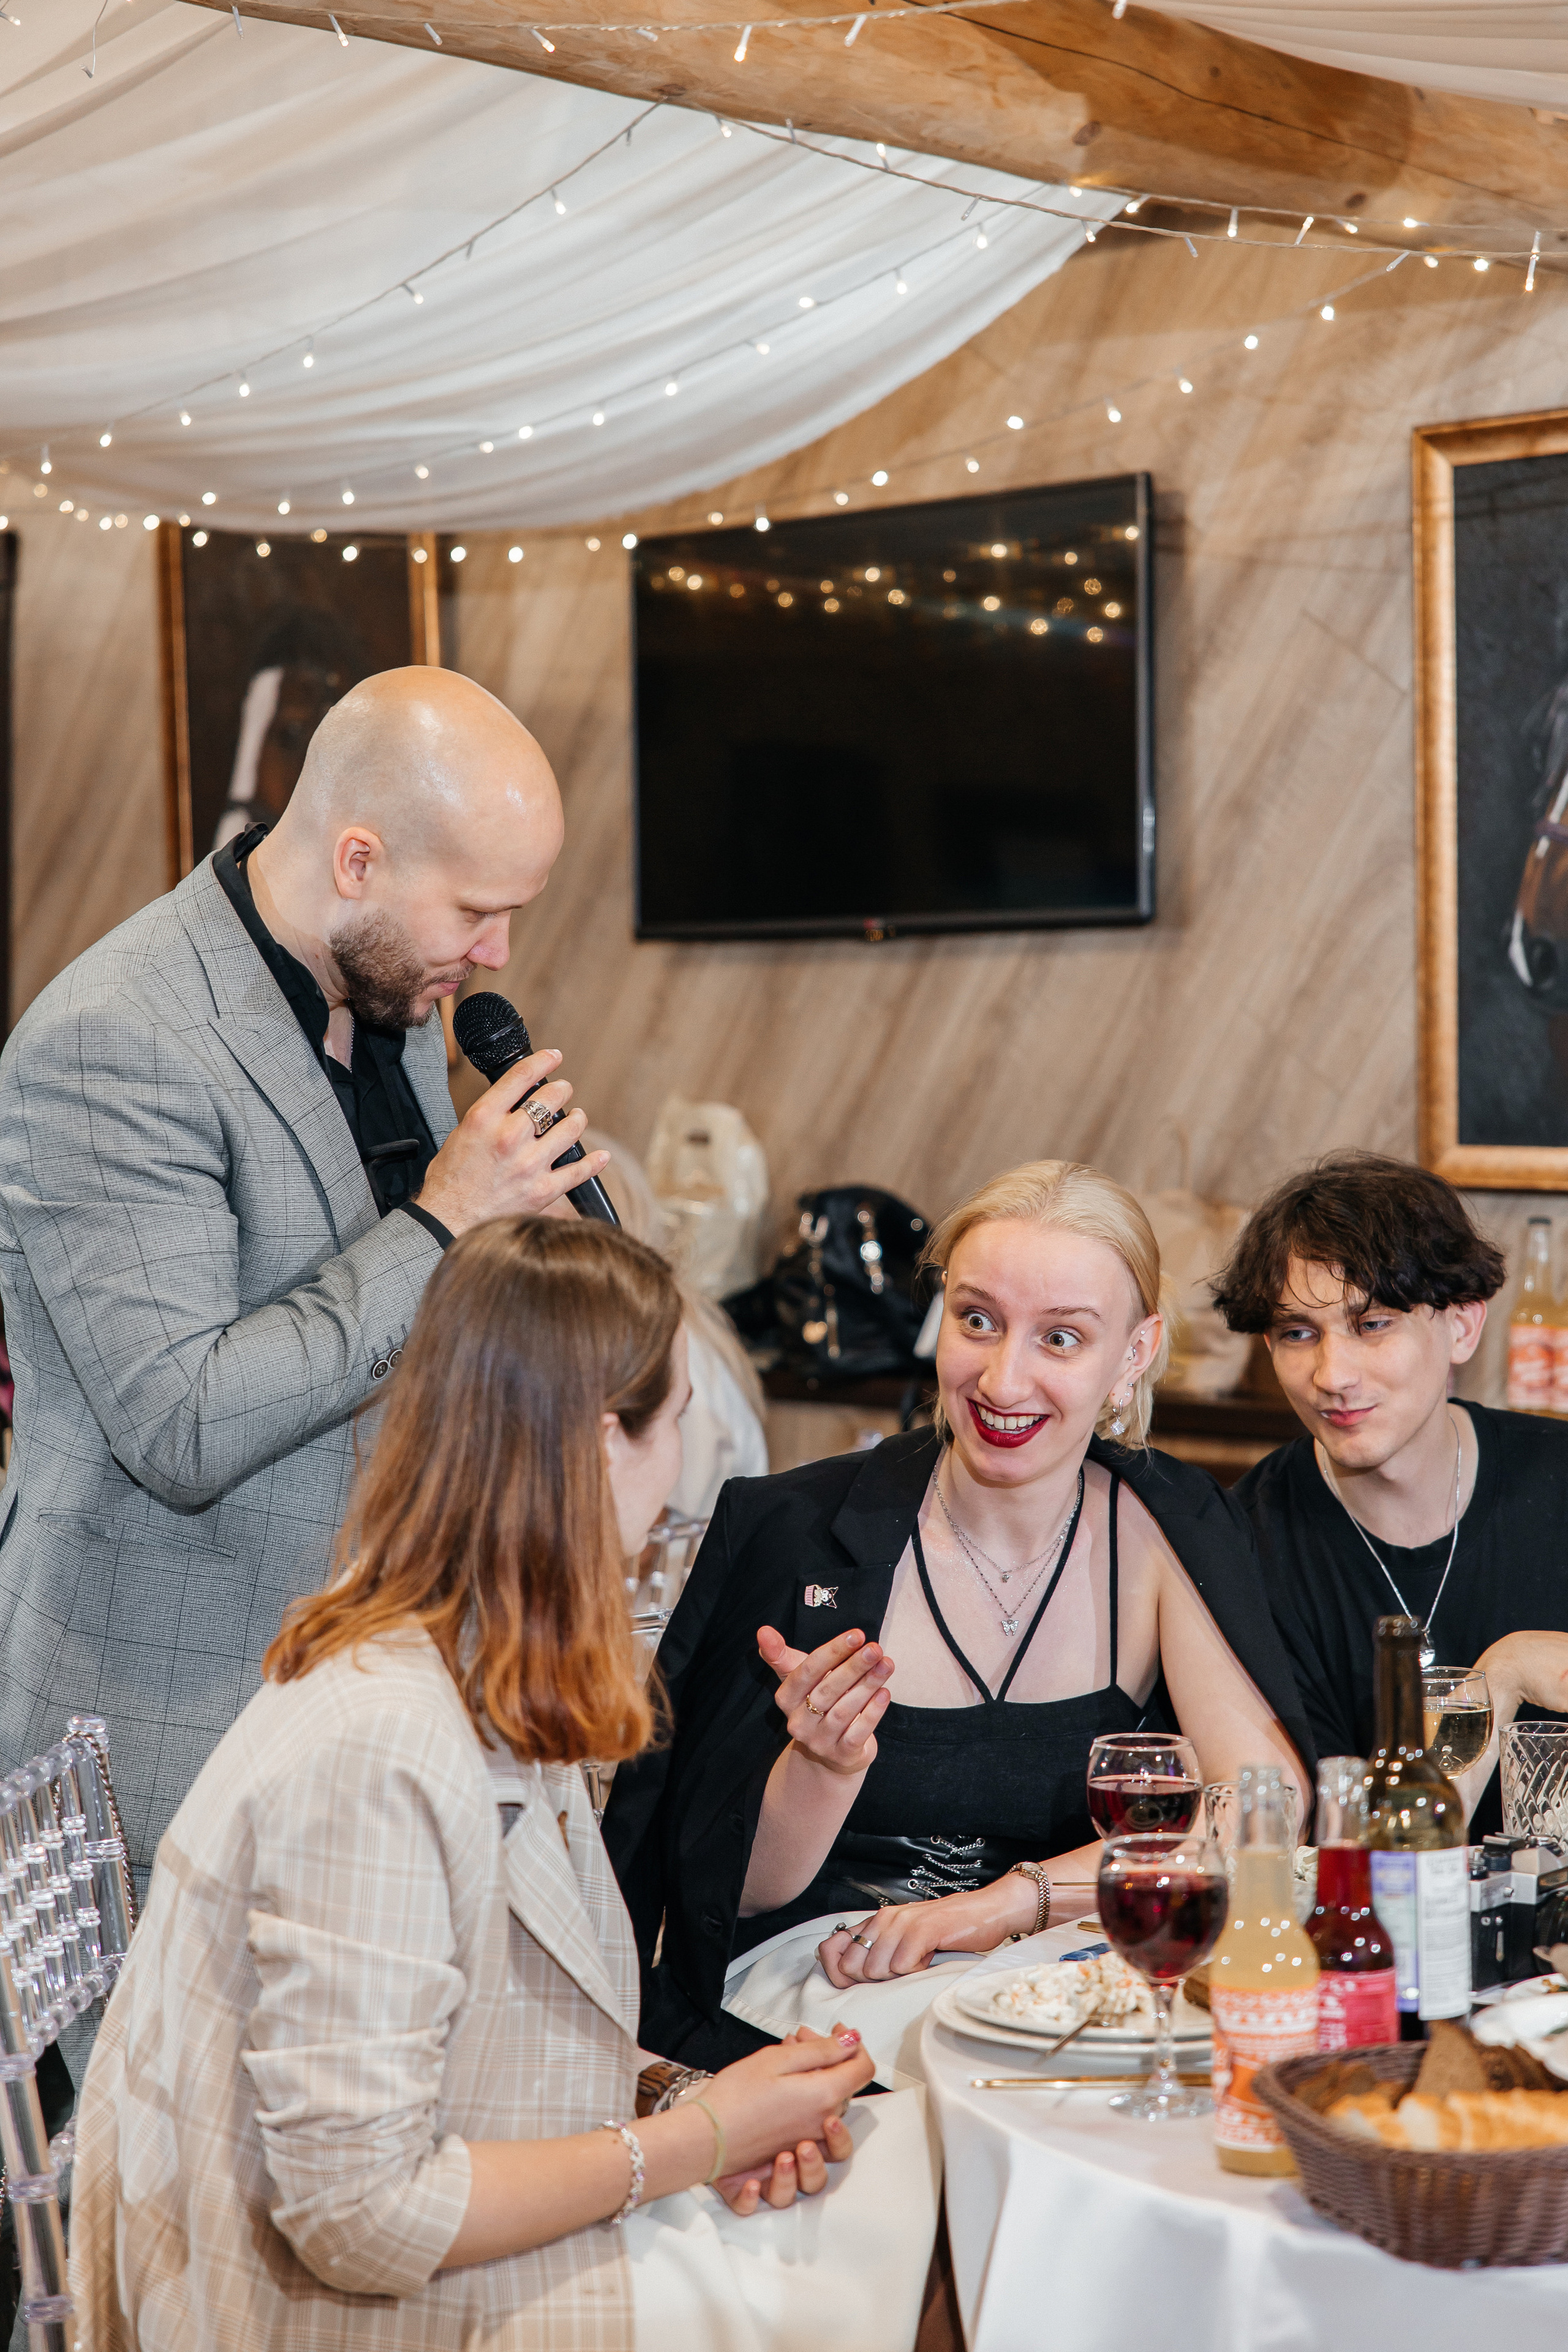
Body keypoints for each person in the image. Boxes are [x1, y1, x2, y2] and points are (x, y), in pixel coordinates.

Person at [67, 1215, 945, 2352]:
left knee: (908, 2187)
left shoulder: (473, 1659)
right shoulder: (381, 1745)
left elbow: (510, 2028)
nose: (688, 1465)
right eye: (677, 1420)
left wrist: (685, 2098)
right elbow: (355, 2219)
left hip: (448, 2232)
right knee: (917, 2262)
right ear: (597, 1445)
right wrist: (703, 2141)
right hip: (325, 2314)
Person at [0, 666, 613, 1875]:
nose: (496, 952)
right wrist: (442, 1224)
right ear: (356, 863)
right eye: (477, 911)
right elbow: (179, 1426)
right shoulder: (112, 1039)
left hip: (395, 1688)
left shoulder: (394, 993)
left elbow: (400, 1345)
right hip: (169, 1719)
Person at [604, 1160, 1313, 2070]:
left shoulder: (1171, 1527)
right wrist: (823, 1763)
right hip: (821, 1993)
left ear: (1134, 1355)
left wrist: (1005, 1905)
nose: (1002, 1380)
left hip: (1059, 1981)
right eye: (977, 1321)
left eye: (1061, 1339)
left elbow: (1263, 1814)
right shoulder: (790, 1530)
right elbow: (718, 1896)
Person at [1215, 1152, 1568, 1833]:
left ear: (1462, 1325)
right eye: (1297, 1333)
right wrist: (1505, 1674)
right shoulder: (1243, 1546)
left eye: (1372, 1324)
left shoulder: (1556, 1479)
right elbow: (1353, 1843)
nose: (1331, 1374)